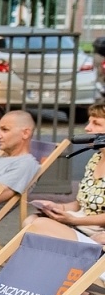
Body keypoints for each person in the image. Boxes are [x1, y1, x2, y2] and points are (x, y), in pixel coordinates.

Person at [30, 103, 105, 249]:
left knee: (39, 226)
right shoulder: (95, 159)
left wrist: (73, 220)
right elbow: (80, 203)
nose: (87, 128)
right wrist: (59, 207)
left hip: (97, 232)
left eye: (96, 124)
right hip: (83, 224)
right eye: (89, 122)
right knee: (31, 221)